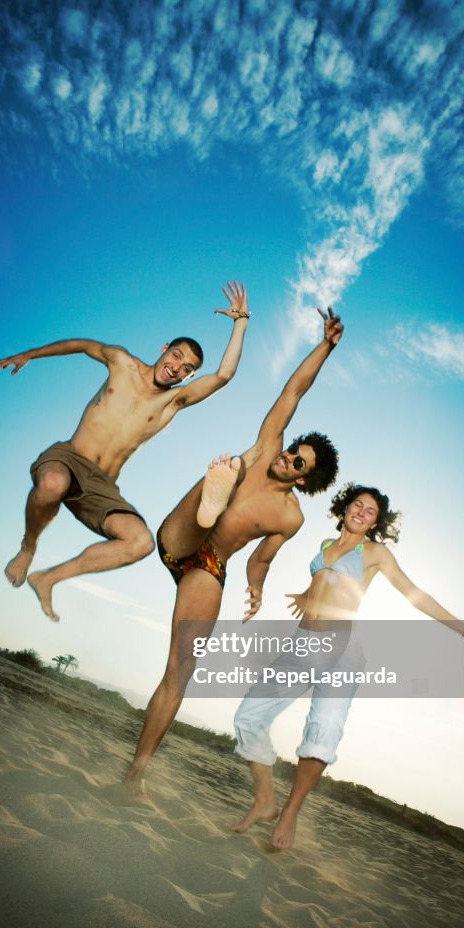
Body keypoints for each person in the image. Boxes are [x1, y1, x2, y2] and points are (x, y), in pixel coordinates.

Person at [122, 307, 344, 794]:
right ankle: (216, 491)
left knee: (182, 669)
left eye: (297, 462)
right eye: (293, 450)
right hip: (182, 534)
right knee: (221, 484)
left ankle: (136, 772)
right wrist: (325, 346)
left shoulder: (290, 518)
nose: (287, 457)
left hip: (210, 565)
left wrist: (256, 589)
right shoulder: (267, 446)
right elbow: (294, 390)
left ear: (303, 479)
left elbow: (262, 557)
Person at [229, 482, 464, 850]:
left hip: (343, 651)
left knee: (322, 731)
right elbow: (326, 578)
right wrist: (308, 595)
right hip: (302, 644)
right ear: (345, 508)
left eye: (371, 511)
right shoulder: (325, 546)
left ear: (375, 523)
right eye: (358, 505)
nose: (362, 512)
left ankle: (290, 811)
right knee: (248, 716)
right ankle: (265, 800)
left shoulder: (375, 554)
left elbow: (413, 593)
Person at [0, 281, 250, 621]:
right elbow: (81, 344)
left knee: (140, 542)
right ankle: (29, 548)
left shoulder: (173, 401)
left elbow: (224, 375)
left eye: (187, 369)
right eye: (176, 355)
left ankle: (49, 577)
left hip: (101, 487)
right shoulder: (121, 362)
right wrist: (30, 354)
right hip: (68, 459)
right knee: (52, 485)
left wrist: (241, 321)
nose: (177, 367)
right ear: (164, 348)